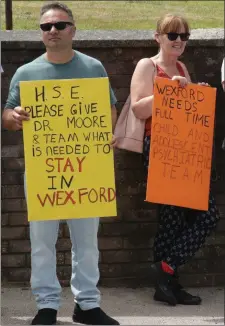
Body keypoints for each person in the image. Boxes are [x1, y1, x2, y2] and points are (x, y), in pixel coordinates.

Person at [2, 2, 119, 325]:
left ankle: (88, 304)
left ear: (73, 30)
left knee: (87, 242)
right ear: (41, 34)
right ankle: (47, 305)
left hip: (86, 168)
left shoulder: (93, 66)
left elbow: (109, 109)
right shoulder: (26, 73)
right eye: (46, 27)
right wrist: (15, 116)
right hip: (44, 172)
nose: (53, 31)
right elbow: (7, 117)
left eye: (60, 25)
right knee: (42, 242)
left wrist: (106, 135)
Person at [129, 14, 220, 306]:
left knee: (200, 215)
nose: (178, 41)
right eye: (172, 35)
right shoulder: (148, 65)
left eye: (184, 36)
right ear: (158, 37)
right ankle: (168, 279)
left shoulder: (181, 67)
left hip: (184, 150)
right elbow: (138, 109)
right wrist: (168, 91)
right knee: (172, 217)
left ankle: (165, 274)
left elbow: (187, 112)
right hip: (159, 147)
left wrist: (196, 94)